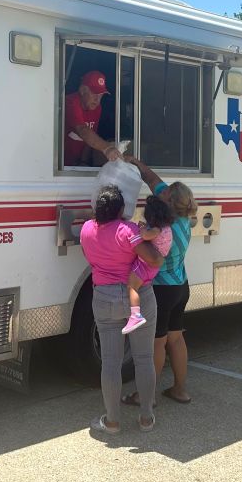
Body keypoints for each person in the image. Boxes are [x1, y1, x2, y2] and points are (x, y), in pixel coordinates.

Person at [80, 185, 164, 434]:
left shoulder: (86, 229)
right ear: (120, 210)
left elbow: (89, 255)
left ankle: (113, 421)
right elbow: (153, 259)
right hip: (138, 295)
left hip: (104, 297)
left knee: (111, 363)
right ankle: (146, 418)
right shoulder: (127, 230)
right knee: (144, 358)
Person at [122, 156, 197, 406]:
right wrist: (137, 164)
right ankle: (180, 389)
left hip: (162, 291)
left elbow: (143, 249)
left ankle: (147, 396)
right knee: (176, 338)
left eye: (165, 196)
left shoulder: (164, 228)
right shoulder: (184, 219)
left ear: (171, 203)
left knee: (157, 344)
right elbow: (153, 180)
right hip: (181, 287)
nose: (160, 195)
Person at [122, 196, 175, 335]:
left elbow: (145, 236)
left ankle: (135, 315)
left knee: (131, 286)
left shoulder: (156, 230)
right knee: (138, 286)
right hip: (153, 267)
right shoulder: (167, 228)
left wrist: (141, 229)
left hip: (145, 264)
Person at [64, 70, 122, 167]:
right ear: (82, 90)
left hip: (78, 165)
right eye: (95, 94)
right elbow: (83, 130)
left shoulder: (97, 108)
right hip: (61, 165)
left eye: (101, 96)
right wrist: (107, 148)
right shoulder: (70, 102)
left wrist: (83, 162)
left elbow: (91, 135)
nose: (97, 100)